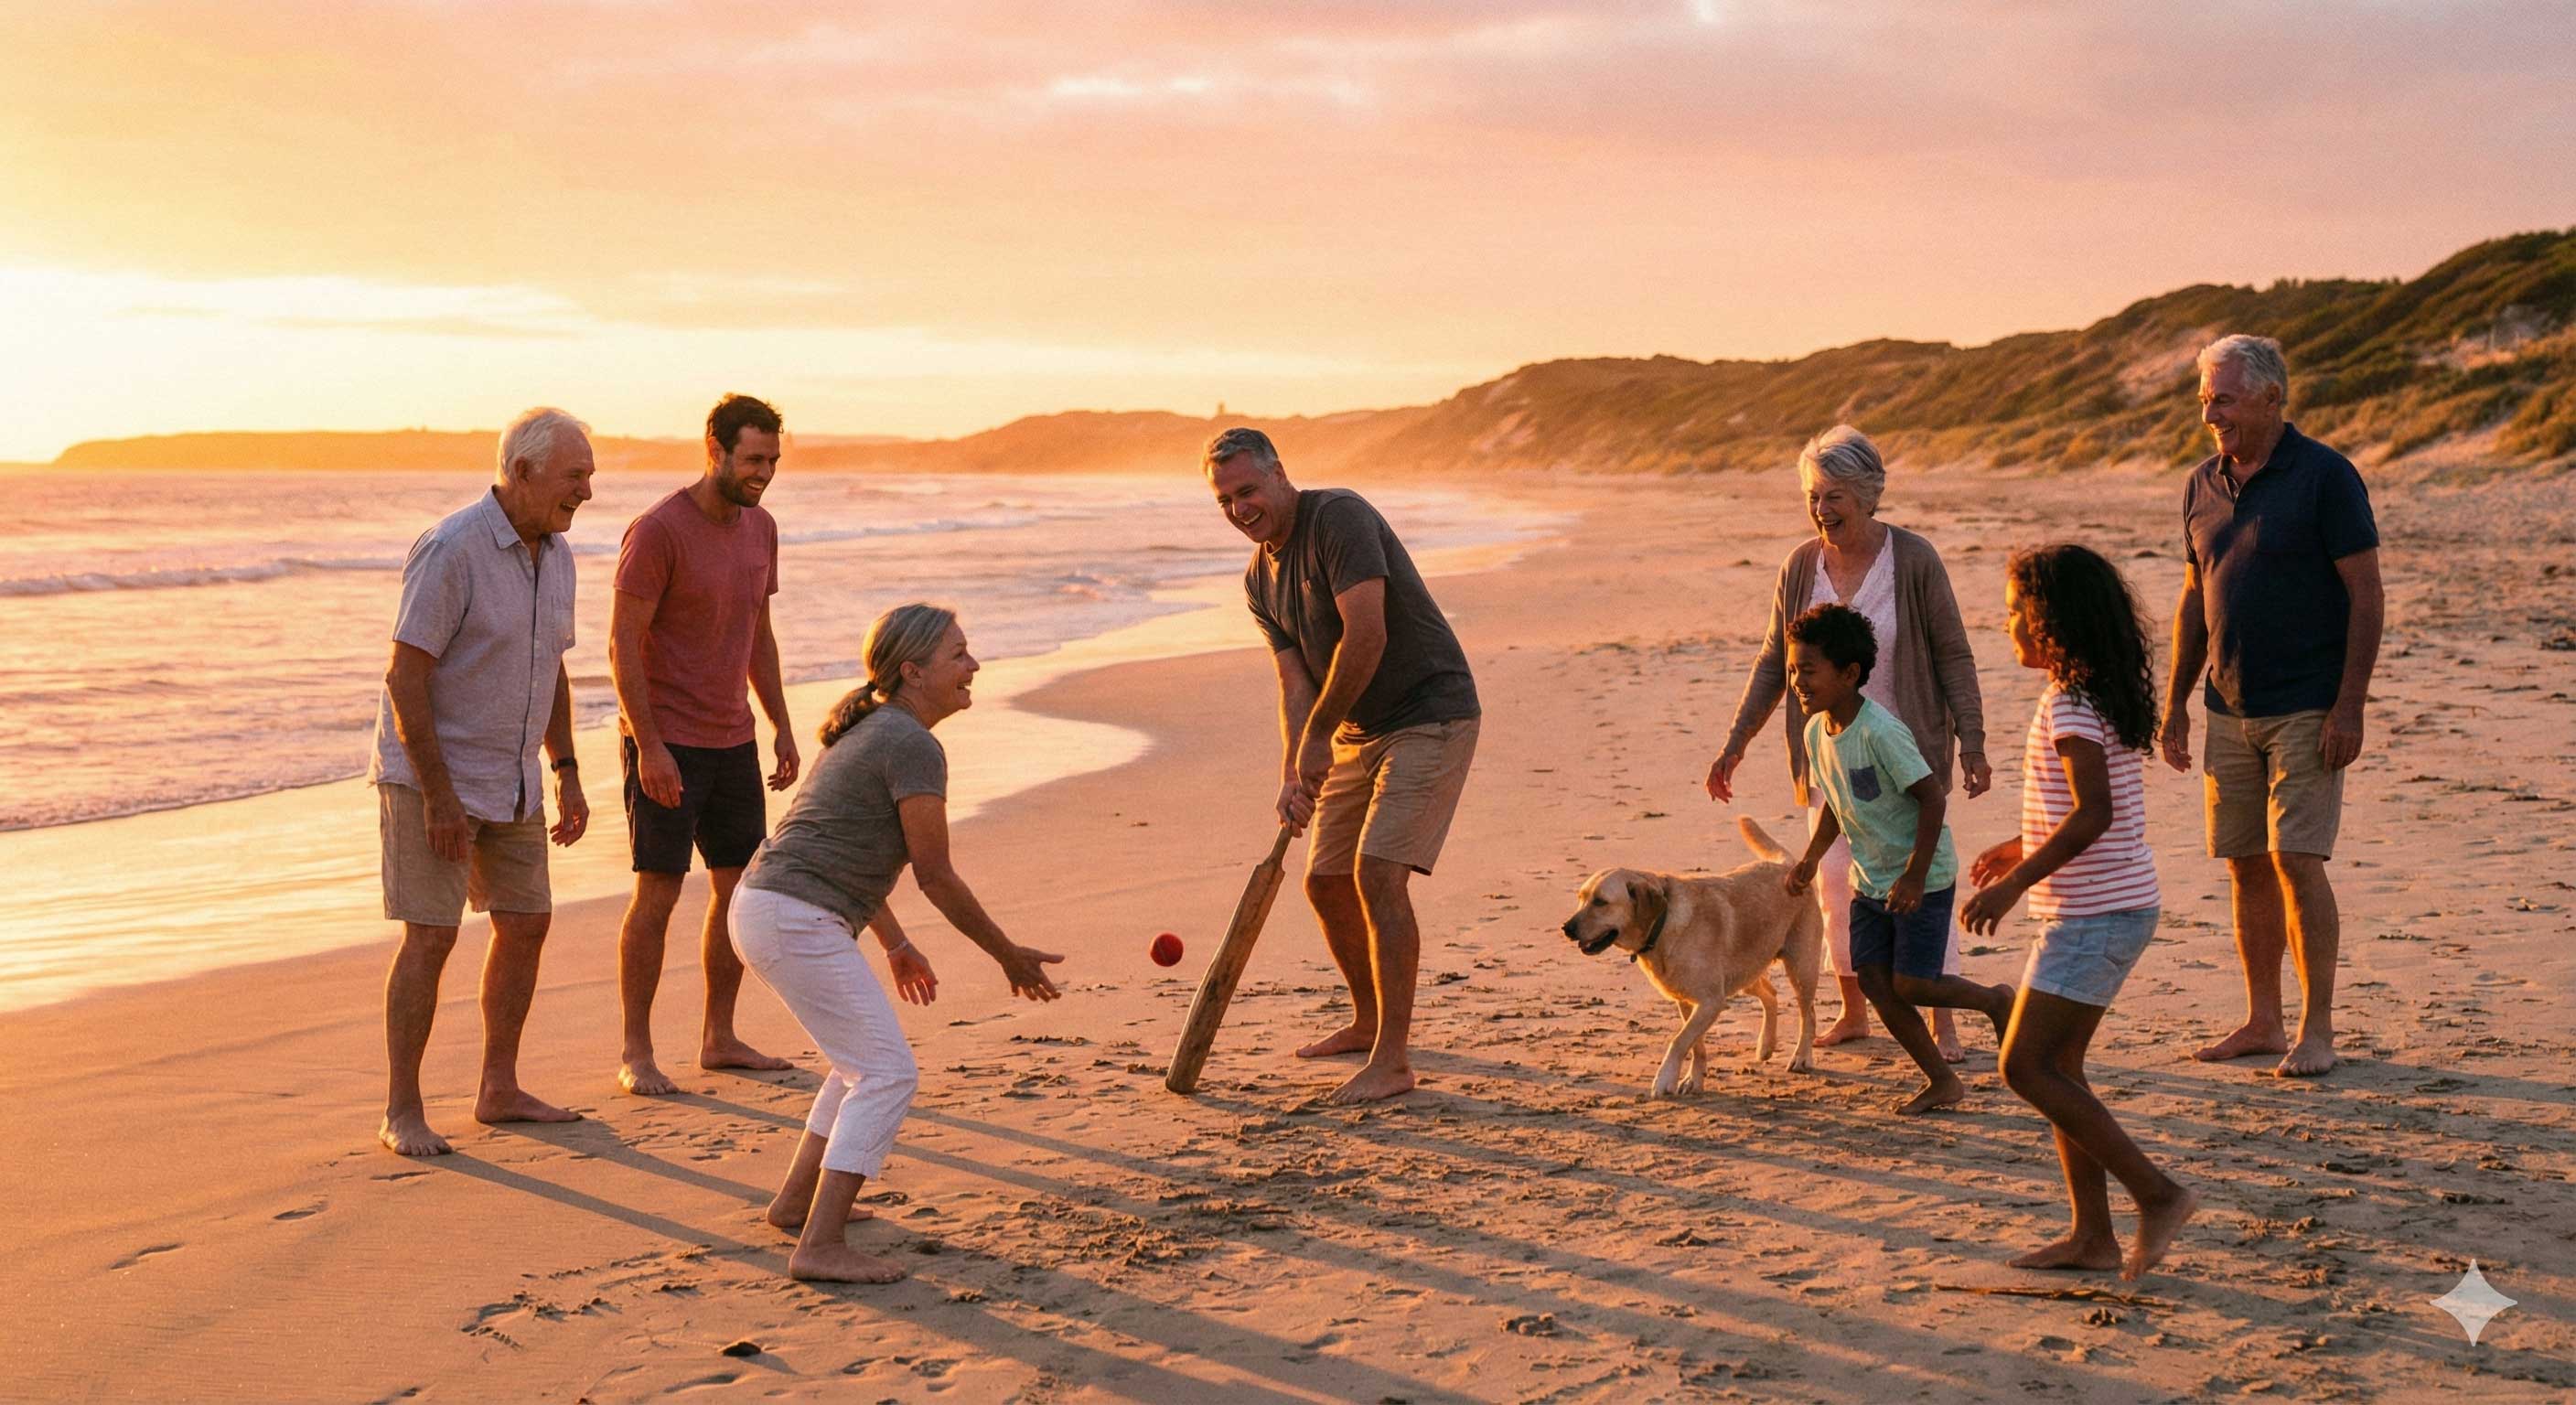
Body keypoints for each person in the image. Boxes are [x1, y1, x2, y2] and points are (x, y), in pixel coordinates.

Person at [729, 603, 1064, 1283]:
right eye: (959, 656)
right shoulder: (909, 743)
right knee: (887, 1074)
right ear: (913, 672)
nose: (973, 667)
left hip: (772, 909)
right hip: (793, 916)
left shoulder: (875, 730)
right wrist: (1007, 954)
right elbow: (935, 874)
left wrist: (894, 941)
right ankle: (819, 1246)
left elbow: (845, 846)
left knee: (858, 1062)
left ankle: (797, 1205)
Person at [1204, 427, 1480, 1105]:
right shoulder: (1257, 579)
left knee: (1378, 876)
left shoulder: (1338, 518)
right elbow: (1294, 680)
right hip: (1357, 730)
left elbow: (1368, 632)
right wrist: (1296, 765)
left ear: (1278, 474)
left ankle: (1393, 1060)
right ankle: (1364, 1022)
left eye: (1247, 490)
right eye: (1224, 500)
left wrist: (1322, 733)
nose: (1240, 508)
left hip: (1430, 712)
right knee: (1326, 882)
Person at [1711, 425, 1990, 1060]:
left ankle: (1942, 1021)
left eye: (1834, 495)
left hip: (1908, 753)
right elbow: (1770, 664)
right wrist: (1736, 742)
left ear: (1868, 494)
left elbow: (1953, 654)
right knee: (1838, 885)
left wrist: (1971, 741)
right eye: (1813, 495)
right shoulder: (1799, 566)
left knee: (1920, 884)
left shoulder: (1913, 560)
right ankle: (1854, 1009)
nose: (1821, 509)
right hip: (1833, 756)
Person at [1961, 545, 2197, 1280]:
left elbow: (2093, 814)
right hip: (2107, 906)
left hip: (2097, 915)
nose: (2006, 624)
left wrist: (2016, 883)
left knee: (2024, 1066)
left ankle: (2157, 1195)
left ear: (2051, 621)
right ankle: (2091, 1237)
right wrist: (2018, 843)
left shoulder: (2070, 703)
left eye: (2014, 612)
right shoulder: (2090, 690)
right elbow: (2093, 807)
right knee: (2060, 1067)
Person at [370, 407, 596, 1156]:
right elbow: (407, 675)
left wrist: (564, 769)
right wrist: (438, 795)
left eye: (590, 477)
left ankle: (498, 1086)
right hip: (434, 776)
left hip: (515, 776)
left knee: (526, 922)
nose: (586, 493)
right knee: (432, 937)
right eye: (575, 477)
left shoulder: (556, 552)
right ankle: (402, 1109)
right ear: (522, 472)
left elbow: (551, 665)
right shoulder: (451, 549)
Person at [2160, 335, 2382, 1078]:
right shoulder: (2201, 483)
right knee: (2245, 864)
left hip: (2308, 706)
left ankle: (2316, 1030)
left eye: (2223, 398)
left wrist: (2349, 706)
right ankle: (2262, 1019)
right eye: (2204, 399)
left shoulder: (2326, 476)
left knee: (2297, 859)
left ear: (2271, 397)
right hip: (2228, 707)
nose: (2210, 413)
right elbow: (2197, 596)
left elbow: (2366, 595)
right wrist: (2177, 704)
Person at [609, 393, 800, 1095]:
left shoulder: (762, 529)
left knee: (738, 892)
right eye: (753, 459)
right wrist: (649, 745)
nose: (764, 474)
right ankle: (636, 1051)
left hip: (733, 740)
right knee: (657, 892)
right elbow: (621, 645)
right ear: (714, 450)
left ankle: (718, 1037)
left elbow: (759, 633)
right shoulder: (659, 530)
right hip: (666, 742)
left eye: (773, 461)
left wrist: (778, 722)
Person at [1781, 603, 2013, 1114]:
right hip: (1871, 880)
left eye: (1809, 669)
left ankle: (1996, 1000)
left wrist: (1912, 875)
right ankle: (1942, 1081)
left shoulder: (1880, 731)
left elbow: (1932, 798)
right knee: (1875, 981)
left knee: (1914, 983)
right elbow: (1837, 805)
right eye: (1794, 668)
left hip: (1921, 877)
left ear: (1849, 674)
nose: (1798, 680)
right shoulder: (1816, 733)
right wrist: (1811, 859)